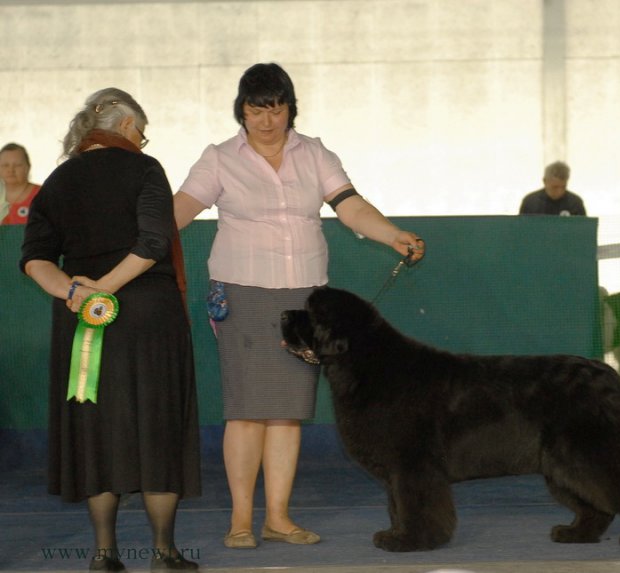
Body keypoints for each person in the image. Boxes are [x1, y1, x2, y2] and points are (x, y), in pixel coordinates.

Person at [173, 62, 425, 549]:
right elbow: (179, 209)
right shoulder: (219, 158)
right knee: (246, 410)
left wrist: (393, 234)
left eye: (276, 108)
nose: (267, 120)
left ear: (291, 109)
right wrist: (136, 241)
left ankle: (279, 518)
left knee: (288, 412)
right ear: (241, 112)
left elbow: (350, 205)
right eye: (256, 110)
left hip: (303, 295)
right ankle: (240, 520)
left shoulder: (316, 154)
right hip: (242, 291)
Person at [20, 88, 201, 571]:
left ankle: (104, 553)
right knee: (159, 427)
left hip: (82, 321)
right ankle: (164, 553)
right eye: (142, 133)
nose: (142, 142)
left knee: (94, 432)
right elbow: (153, 243)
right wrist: (106, 288)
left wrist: (77, 293)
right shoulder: (145, 169)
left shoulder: (57, 180)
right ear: (125, 126)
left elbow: (35, 258)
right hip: (149, 318)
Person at [519, 161, 586, 216]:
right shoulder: (530, 203)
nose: (559, 191)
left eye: (563, 187)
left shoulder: (575, 203)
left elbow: (583, 227)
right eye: (555, 187)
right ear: (545, 181)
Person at [0, 142, 41, 225]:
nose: (11, 170)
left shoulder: (42, 195)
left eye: (17, 165)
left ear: (28, 167)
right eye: (5, 165)